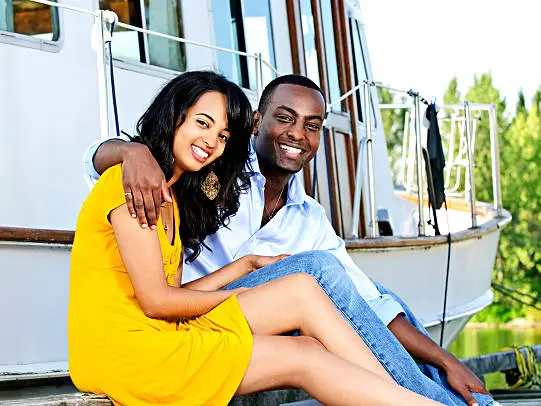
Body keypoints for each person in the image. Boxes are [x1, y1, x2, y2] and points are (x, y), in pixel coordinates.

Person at [84, 74, 496, 406]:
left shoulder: (305, 215)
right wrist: (130, 151)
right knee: (314, 275)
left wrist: (447, 360)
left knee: (383, 302)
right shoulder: (205, 175)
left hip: (227, 318)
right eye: (285, 118)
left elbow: (368, 304)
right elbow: (96, 165)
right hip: (185, 322)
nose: (298, 134)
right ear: (259, 122)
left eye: (312, 126)